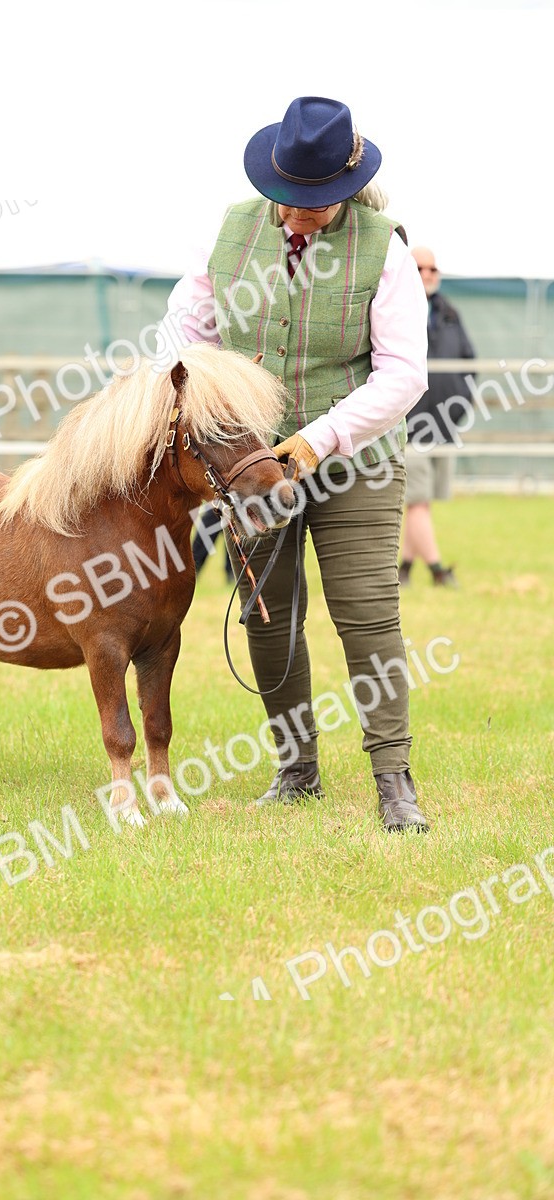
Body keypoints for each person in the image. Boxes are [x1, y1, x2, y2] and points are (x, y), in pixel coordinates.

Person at [158, 96, 430, 832]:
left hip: (357, 463)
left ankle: (393, 781)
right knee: (267, 616)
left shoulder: (385, 248)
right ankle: (297, 768)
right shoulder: (233, 231)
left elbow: (405, 374)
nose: (298, 214)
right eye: (289, 200)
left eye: (316, 204)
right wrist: (200, 386)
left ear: (346, 188)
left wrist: (320, 439)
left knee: (367, 618)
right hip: (253, 466)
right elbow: (187, 326)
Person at [398, 246, 476, 587]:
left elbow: (470, 363)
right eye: (419, 268)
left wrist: (461, 404)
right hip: (410, 428)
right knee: (416, 502)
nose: (427, 274)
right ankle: (437, 571)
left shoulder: (449, 313)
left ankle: (405, 569)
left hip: (444, 425)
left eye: (432, 268)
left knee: (423, 503)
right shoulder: (395, 310)